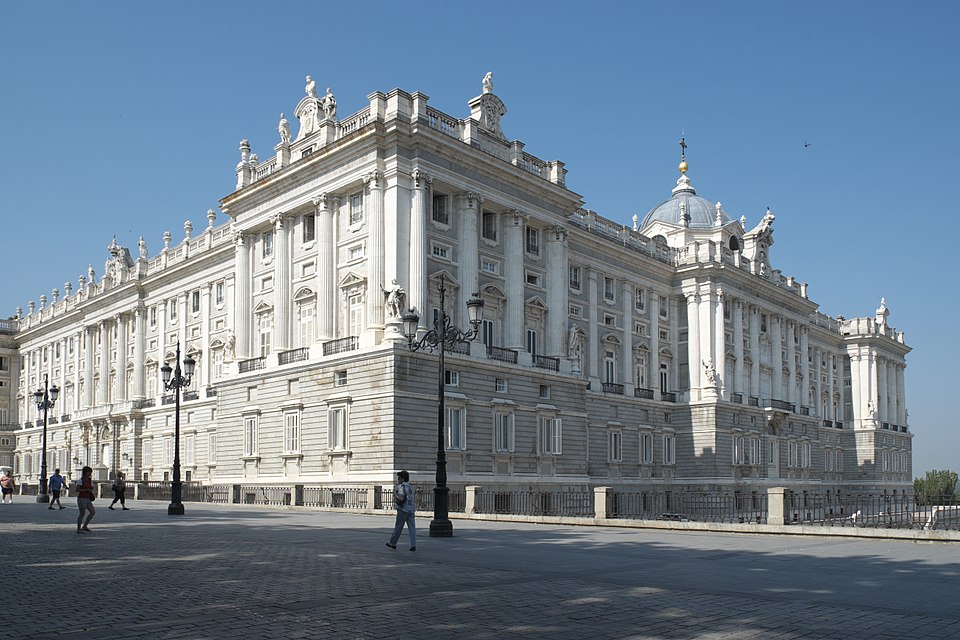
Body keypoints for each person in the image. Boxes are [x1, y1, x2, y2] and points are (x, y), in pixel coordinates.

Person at [386, 470, 416, 551]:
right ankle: (413, 544)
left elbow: (401, 498)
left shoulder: (400, 487)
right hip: (411, 509)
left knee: (398, 526)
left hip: (403, 509)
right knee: (412, 528)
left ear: (403, 479)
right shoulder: (410, 487)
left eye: (399, 478)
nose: (398, 480)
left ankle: (393, 543)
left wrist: (395, 495)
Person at [75, 466, 96, 533]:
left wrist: (91, 489)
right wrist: (85, 489)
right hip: (82, 498)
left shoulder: (89, 480)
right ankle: (78, 528)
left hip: (87, 498)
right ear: (85, 472)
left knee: (92, 512)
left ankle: (85, 526)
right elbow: (77, 489)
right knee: (82, 513)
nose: (90, 474)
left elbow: (91, 487)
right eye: (89, 472)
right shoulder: (81, 480)